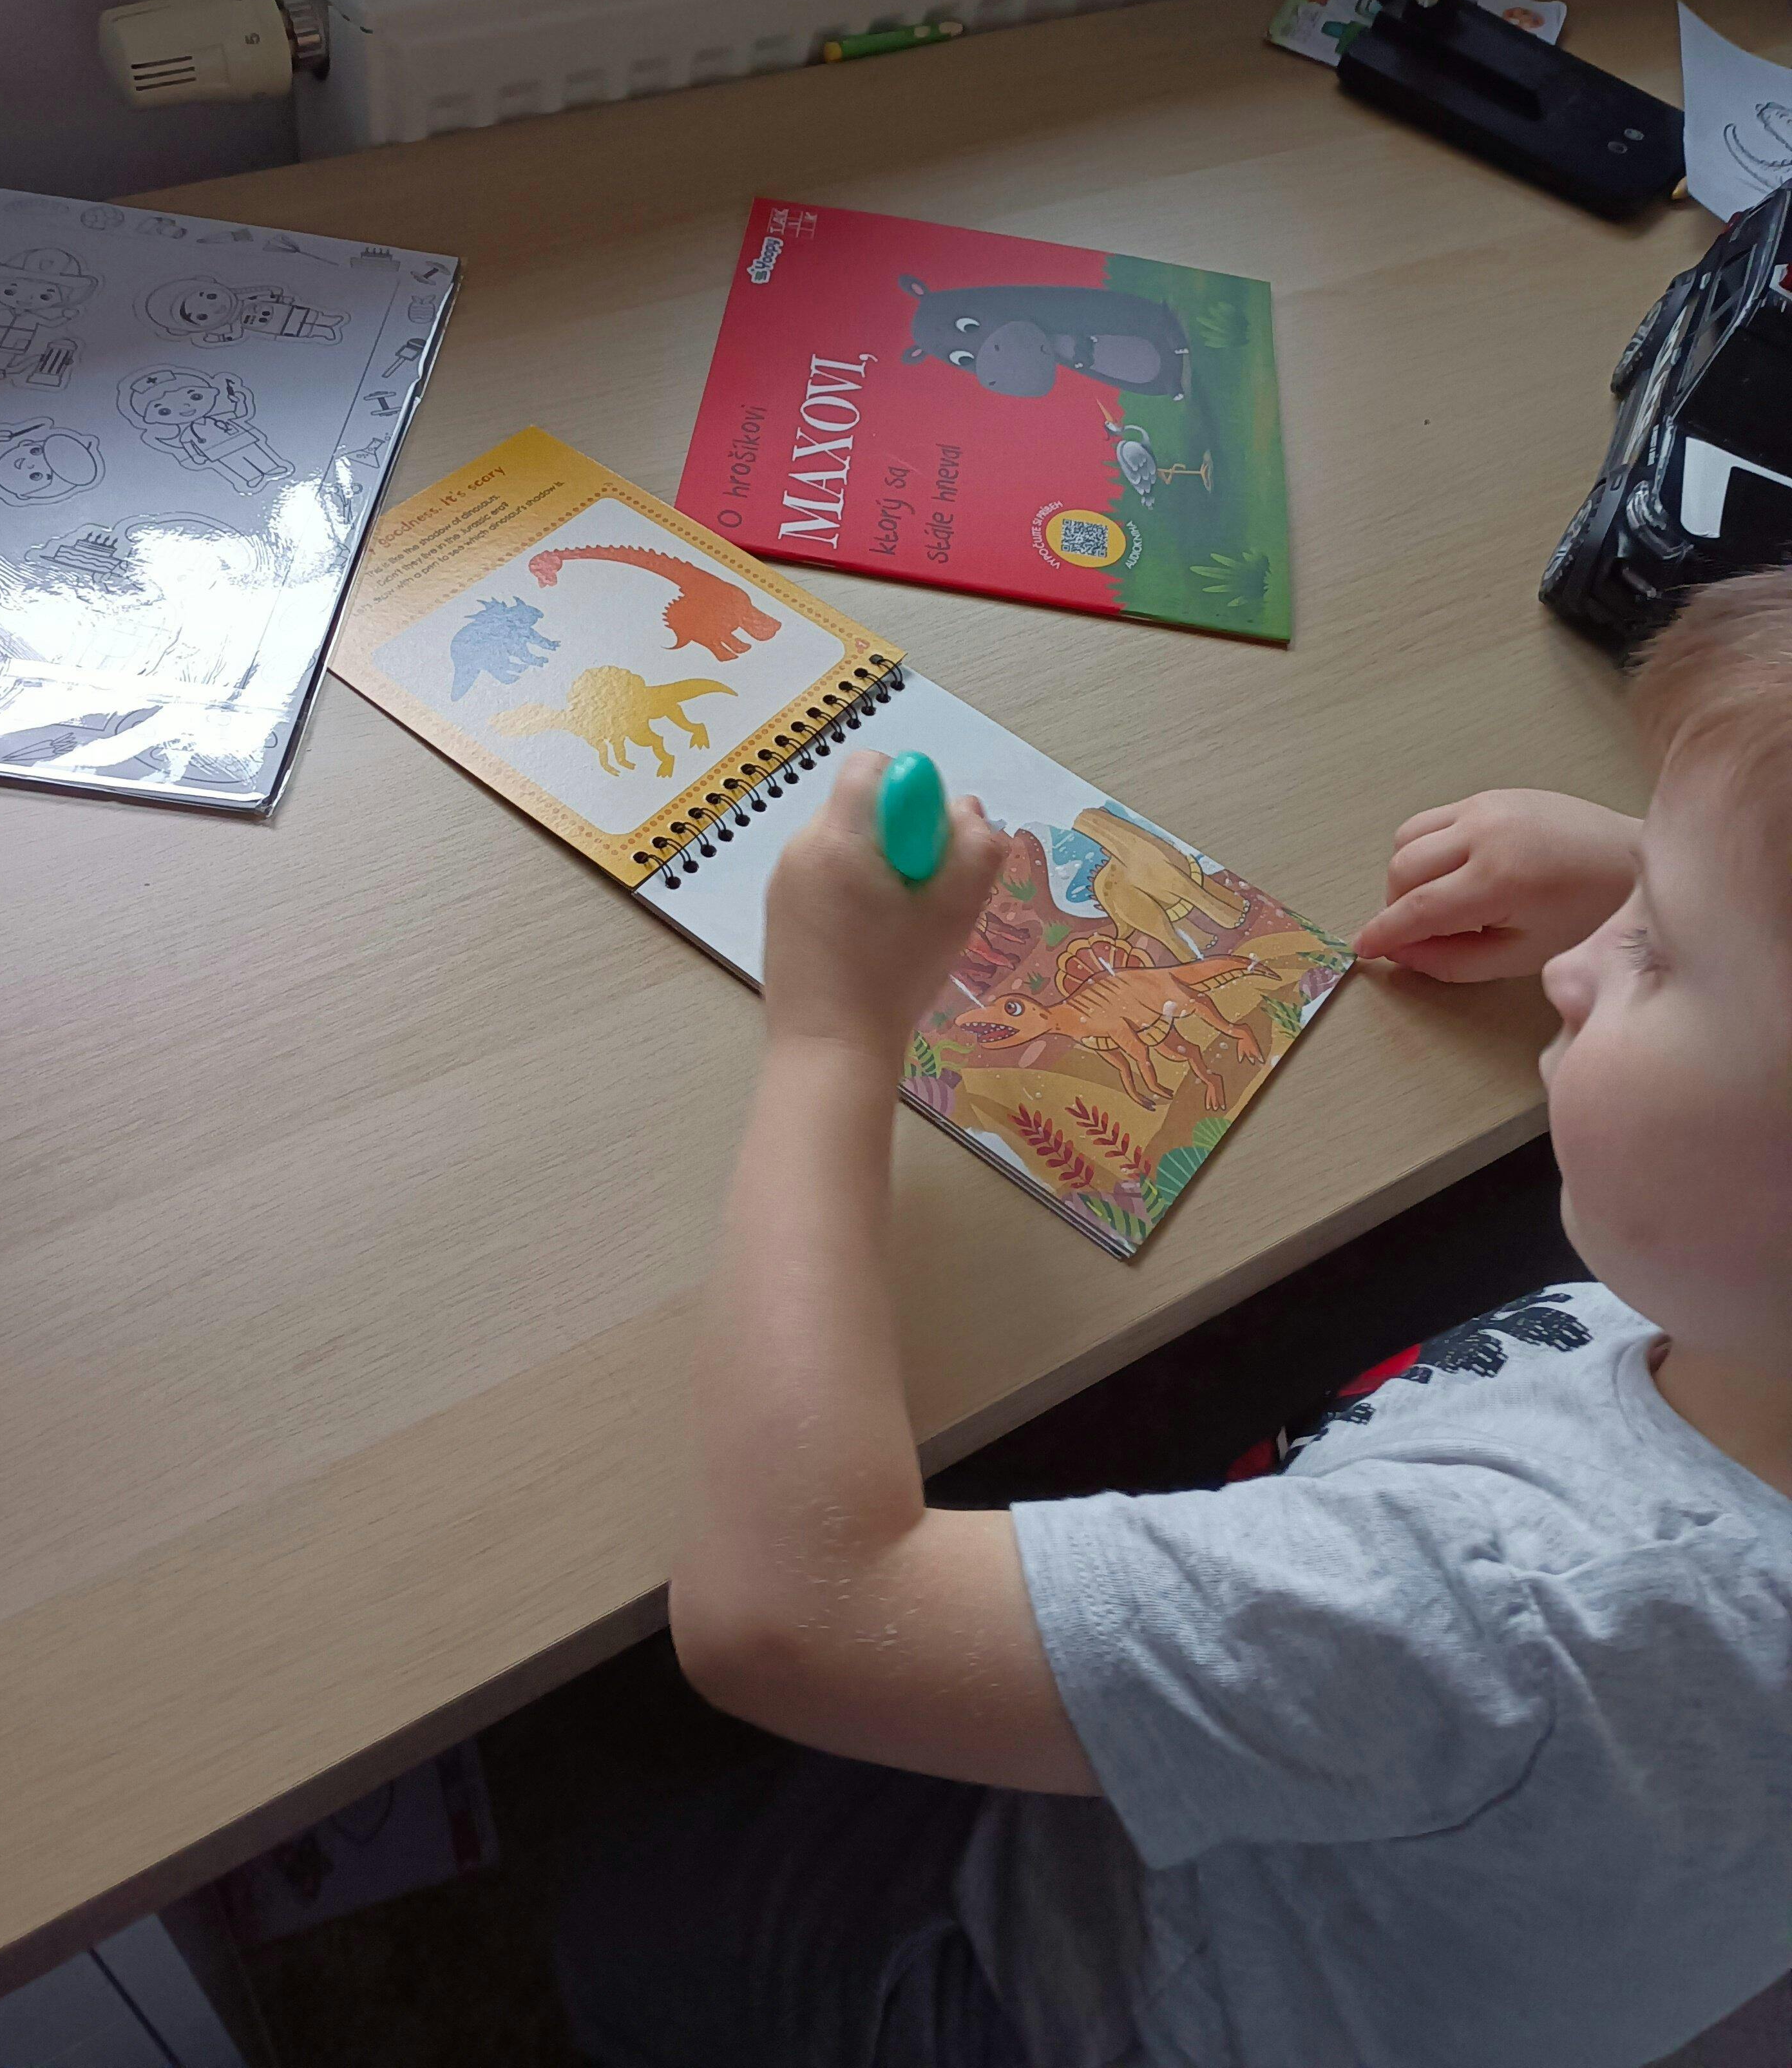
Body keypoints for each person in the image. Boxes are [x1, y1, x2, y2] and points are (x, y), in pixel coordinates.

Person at [555, 569, 1792, 2068]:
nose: (1585, 963)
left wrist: (834, 1032)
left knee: (628, 1881)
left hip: (1054, 1982)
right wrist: (1662, 875)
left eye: (1656, 948)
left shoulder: (1509, 1608)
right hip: (1424, 1825)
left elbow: (793, 1611)